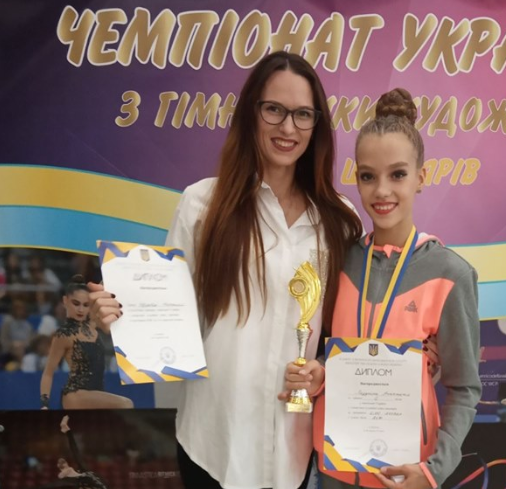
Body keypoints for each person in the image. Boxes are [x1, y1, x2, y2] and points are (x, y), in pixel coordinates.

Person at [88, 51, 363, 489]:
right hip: (211, 442)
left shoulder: (340, 220)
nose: (288, 127)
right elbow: (172, 316)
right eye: (274, 110)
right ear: (251, 112)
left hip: (294, 449)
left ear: (317, 125)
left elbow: (347, 332)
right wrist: (122, 317)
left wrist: (323, 369)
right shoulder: (202, 205)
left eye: (302, 114)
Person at [284, 88, 481, 488]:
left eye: (398, 174)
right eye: (368, 176)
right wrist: (320, 374)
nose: (381, 191)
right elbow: (331, 351)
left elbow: (464, 389)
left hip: (405, 477)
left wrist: (434, 470)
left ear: (421, 177)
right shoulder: (336, 260)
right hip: (335, 472)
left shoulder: (451, 273)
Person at [40, 275, 132, 409]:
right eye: (76, 303)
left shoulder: (91, 324)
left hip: (95, 392)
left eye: (85, 305)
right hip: (76, 395)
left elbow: (102, 292)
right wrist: (44, 404)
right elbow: (48, 372)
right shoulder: (63, 335)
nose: (80, 310)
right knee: (125, 404)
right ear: (65, 301)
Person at [32, 415, 108, 489]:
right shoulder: (73, 479)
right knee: (78, 461)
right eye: (62, 465)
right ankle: (67, 430)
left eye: (63, 464)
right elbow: (55, 484)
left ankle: (66, 430)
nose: (62, 463)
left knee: (78, 458)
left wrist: (68, 432)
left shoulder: (81, 473)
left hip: (84, 478)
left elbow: (75, 452)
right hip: (84, 480)